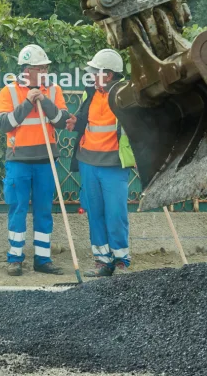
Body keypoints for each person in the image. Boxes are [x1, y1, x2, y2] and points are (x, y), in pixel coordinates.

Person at [0, 45, 76, 276]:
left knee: (43, 211)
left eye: (45, 68)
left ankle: (43, 259)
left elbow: (62, 121)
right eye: (41, 68)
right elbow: (4, 125)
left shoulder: (53, 90)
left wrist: (45, 101)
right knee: (18, 209)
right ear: (27, 70)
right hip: (18, 160)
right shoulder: (8, 92)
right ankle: (15, 259)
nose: (45, 71)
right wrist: (28, 103)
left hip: (45, 160)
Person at [71, 48, 136, 277]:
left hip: (113, 165)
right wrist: (74, 122)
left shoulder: (124, 96)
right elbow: (83, 121)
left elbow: (139, 124)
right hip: (88, 162)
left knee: (116, 213)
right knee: (94, 212)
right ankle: (102, 261)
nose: (92, 75)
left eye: (96, 72)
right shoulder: (90, 92)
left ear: (108, 75)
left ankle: (121, 262)